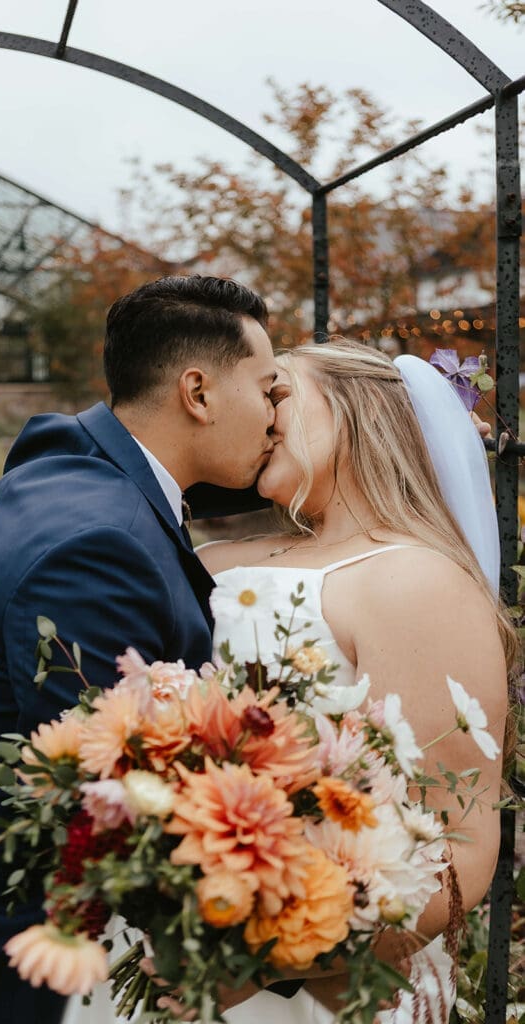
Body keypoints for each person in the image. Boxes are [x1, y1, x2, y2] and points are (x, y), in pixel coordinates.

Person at [0, 276, 278, 1024]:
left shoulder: (76, 466)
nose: (276, 419)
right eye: (269, 392)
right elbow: (106, 812)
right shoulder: (98, 548)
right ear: (197, 393)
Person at [194, 339, 514, 1024]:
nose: (263, 415)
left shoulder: (412, 580)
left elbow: (452, 846)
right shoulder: (224, 548)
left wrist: (253, 963)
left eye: (278, 392)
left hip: (312, 987)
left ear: (360, 406)